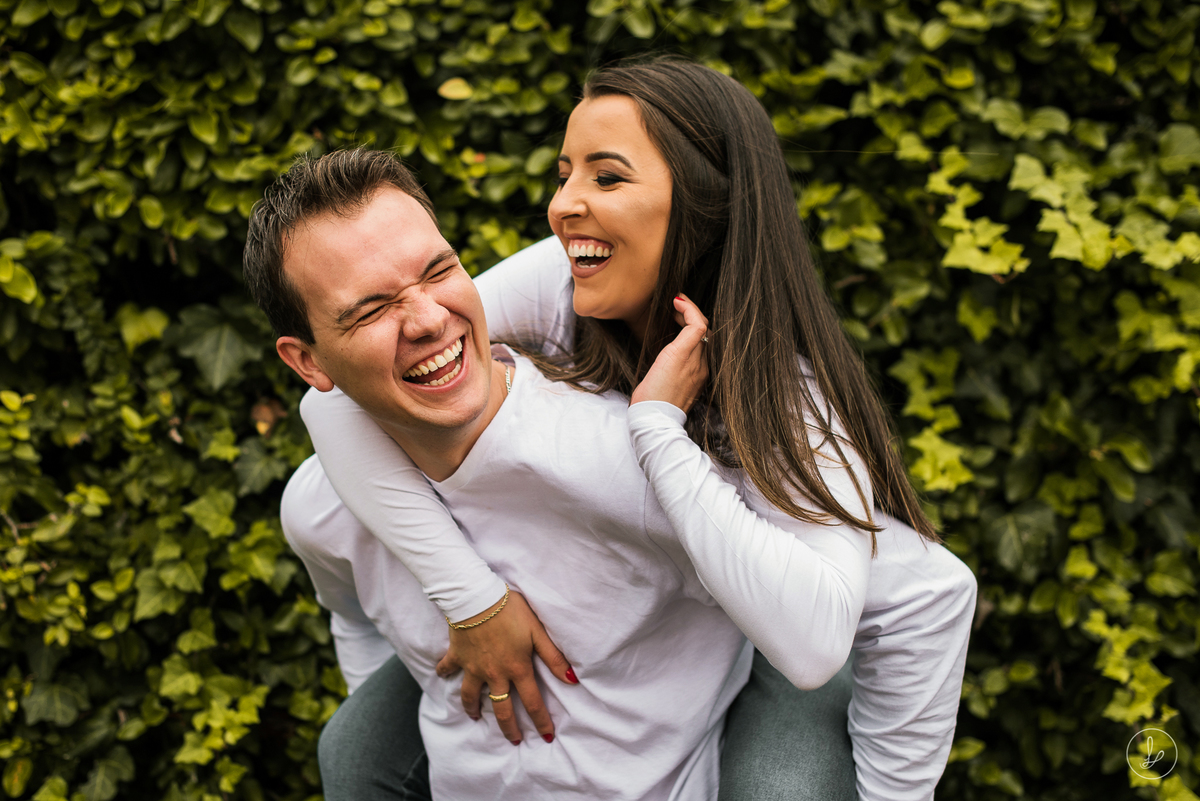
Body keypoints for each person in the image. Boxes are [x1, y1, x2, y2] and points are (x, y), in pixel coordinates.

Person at [294, 58, 978, 800]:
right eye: (564, 175)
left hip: (768, 617)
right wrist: (473, 600)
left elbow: (905, 605)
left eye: (607, 177)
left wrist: (658, 429)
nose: (563, 205)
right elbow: (337, 399)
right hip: (642, 612)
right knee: (356, 751)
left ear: (704, 205)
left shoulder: (784, 403)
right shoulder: (560, 283)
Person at [245, 148, 845, 799]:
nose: (428, 319)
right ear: (308, 363)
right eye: (369, 310)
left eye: (439, 271)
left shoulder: (624, 470)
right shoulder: (320, 510)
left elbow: (818, 614)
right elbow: (356, 620)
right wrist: (466, 605)